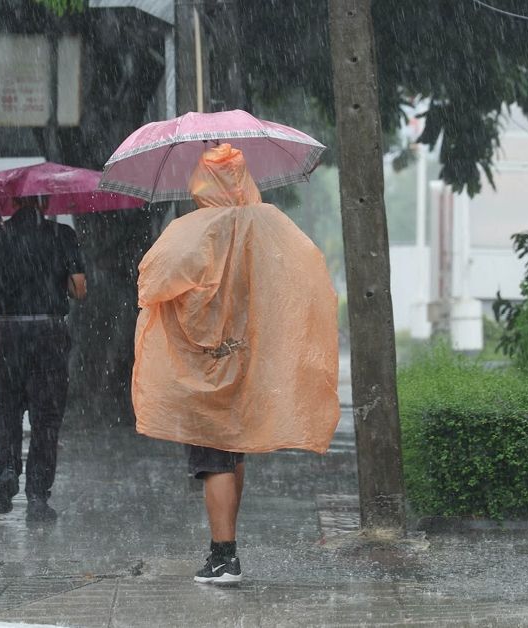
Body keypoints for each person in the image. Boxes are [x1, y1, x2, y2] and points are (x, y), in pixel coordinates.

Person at [132, 144, 339, 585]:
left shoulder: (192, 230)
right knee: (232, 444)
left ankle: (224, 556)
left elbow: (152, 279)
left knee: (212, 456)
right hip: (245, 355)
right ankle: (227, 546)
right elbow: (300, 274)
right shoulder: (268, 225)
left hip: (203, 361)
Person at [0, 196, 87, 523]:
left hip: (8, 333)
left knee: (9, 406)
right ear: (45, 201)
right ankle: (38, 497)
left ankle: (8, 470)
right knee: (46, 417)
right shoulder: (62, 235)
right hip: (49, 332)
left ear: (13, 201)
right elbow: (79, 290)